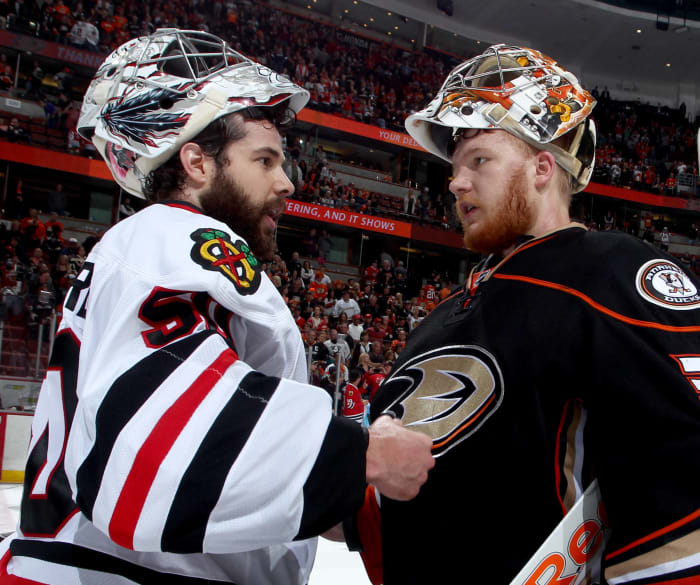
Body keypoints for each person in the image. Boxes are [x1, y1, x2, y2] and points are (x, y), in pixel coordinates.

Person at [0, 29, 434, 585]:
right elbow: (154, 455)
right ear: (197, 163)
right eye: (264, 160)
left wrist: (340, 497)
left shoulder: (140, 249)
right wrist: (359, 455)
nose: (286, 183)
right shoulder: (177, 238)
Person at [367, 44, 700, 585]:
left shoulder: (615, 272)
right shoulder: (441, 317)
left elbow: (681, 477)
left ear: (544, 167)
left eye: (479, 160)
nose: (456, 182)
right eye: (454, 167)